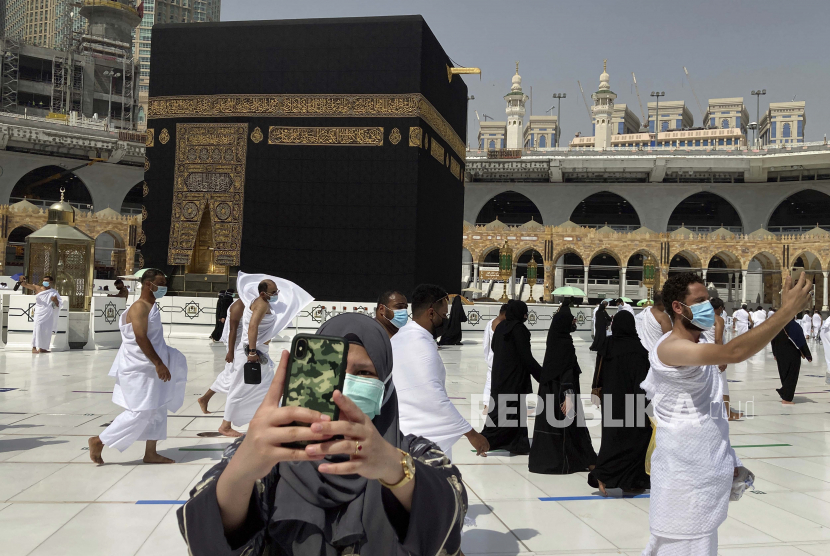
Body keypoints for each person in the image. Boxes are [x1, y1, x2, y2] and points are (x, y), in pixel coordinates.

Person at [176, 313, 468, 556]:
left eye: (364, 373)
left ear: (386, 386)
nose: (343, 386)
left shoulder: (414, 454)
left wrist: (393, 469)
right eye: (333, 370)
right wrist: (241, 471)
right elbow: (208, 538)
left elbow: (448, 517)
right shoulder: (267, 454)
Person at [641, 271, 811, 554]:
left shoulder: (696, 344)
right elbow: (733, 353)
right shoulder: (672, 348)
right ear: (678, 307)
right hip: (683, 477)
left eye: (707, 299)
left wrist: (727, 457)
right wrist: (786, 311)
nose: (708, 305)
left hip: (702, 470)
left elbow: (706, 411)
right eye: (700, 301)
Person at [88, 269, 188, 464]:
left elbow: (154, 338)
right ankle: (99, 440)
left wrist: (168, 356)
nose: (164, 287)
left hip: (153, 366)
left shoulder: (152, 306)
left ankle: (151, 452)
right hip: (140, 368)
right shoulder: (139, 307)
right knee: (140, 411)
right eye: (161, 283)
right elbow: (140, 337)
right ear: (149, 284)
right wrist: (158, 363)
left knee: (158, 408)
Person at [393, 284, 489, 460]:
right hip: (420, 440)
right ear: (431, 313)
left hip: (401, 431)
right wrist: (471, 433)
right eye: (444, 315)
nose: (446, 320)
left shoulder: (401, 337)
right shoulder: (420, 345)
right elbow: (432, 395)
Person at [224, 273, 313, 429]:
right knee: (239, 388)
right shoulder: (261, 304)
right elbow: (253, 327)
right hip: (251, 353)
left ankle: (275, 420)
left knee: (268, 388)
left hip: (259, 352)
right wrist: (252, 352)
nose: (276, 295)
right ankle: (225, 426)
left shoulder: (262, 303)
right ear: (263, 293)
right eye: (273, 293)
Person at [530, 298, 596, 473]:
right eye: (571, 319)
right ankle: (575, 460)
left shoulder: (555, 338)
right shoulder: (564, 342)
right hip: (562, 392)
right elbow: (566, 370)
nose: (574, 321)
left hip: (550, 390)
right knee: (570, 427)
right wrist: (569, 397)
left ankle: (577, 459)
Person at [587, 311, 650, 494]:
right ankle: (631, 482)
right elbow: (643, 381)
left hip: (611, 401)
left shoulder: (607, 345)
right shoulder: (639, 349)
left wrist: (596, 391)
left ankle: (603, 474)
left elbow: (599, 371)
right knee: (636, 440)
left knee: (612, 441)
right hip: (633, 402)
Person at [481, 300, 542, 455]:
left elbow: (494, 347)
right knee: (514, 412)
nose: (525, 315)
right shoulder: (520, 329)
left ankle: (518, 445)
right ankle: (485, 441)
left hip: (500, 376)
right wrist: (542, 375)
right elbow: (526, 357)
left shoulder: (501, 327)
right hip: (514, 378)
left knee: (500, 413)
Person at [198, 292, 246, 436]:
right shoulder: (238, 306)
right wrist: (230, 352)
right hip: (236, 347)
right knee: (236, 380)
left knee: (229, 376)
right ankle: (226, 424)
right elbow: (232, 330)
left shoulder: (249, 304)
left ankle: (204, 398)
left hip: (241, 346)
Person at [703, 298, 741, 420]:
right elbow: (718, 339)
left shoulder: (702, 318)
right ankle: (728, 413)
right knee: (723, 385)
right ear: (719, 308)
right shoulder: (718, 319)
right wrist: (722, 359)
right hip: (716, 356)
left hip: (704, 355)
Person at [772, 317, 812, 404]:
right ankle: (786, 397)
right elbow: (801, 342)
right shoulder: (795, 326)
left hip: (780, 353)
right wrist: (808, 355)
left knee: (784, 374)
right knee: (791, 375)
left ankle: (785, 393)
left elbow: (773, 340)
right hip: (792, 354)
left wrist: (775, 353)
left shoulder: (777, 326)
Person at [19, 275, 62, 354]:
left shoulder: (54, 292)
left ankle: (43, 348)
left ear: (51, 282)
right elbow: (25, 285)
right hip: (39, 312)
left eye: (47, 280)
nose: (44, 282)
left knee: (47, 330)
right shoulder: (37, 288)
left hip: (48, 313)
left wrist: (55, 301)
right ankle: (34, 347)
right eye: (44, 280)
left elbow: (58, 305)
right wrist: (22, 280)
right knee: (37, 329)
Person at [482, 304, 509, 414]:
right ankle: (489, 405)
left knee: (490, 380)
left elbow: (485, 342)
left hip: (492, 357)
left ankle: (487, 404)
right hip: (497, 358)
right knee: (493, 382)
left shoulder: (491, 322)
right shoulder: (501, 325)